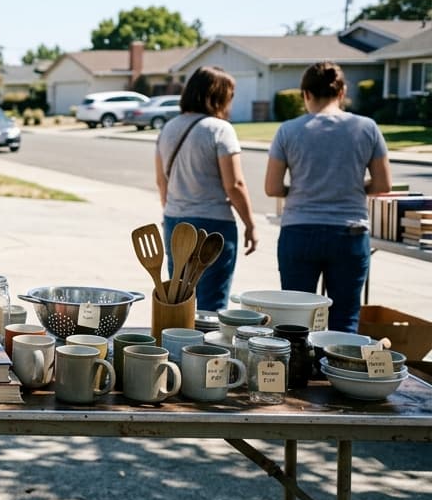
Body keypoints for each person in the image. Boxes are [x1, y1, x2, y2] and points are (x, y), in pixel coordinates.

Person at [264, 61, 392, 332]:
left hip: (299, 230)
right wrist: (351, 187)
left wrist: (301, 190)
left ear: (305, 94)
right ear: (342, 92)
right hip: (350, 233)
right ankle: (339, 373)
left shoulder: (288, 130)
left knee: (295, 321)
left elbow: (272, 187)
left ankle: (297, 374)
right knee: (344, 320)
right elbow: (383, 184)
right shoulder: (367, 128)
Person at [154, 66, 258, 311]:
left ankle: (179, 347)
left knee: (179, 300)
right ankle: (206, 349)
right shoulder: (220, 129)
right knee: (211, 305)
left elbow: (161, 181)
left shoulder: (168, 128)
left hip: (175, 221)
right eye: (230, 96)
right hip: (213, 225)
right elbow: (234, 185)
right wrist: (250, 225)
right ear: (218, 96)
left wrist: (173, 211)